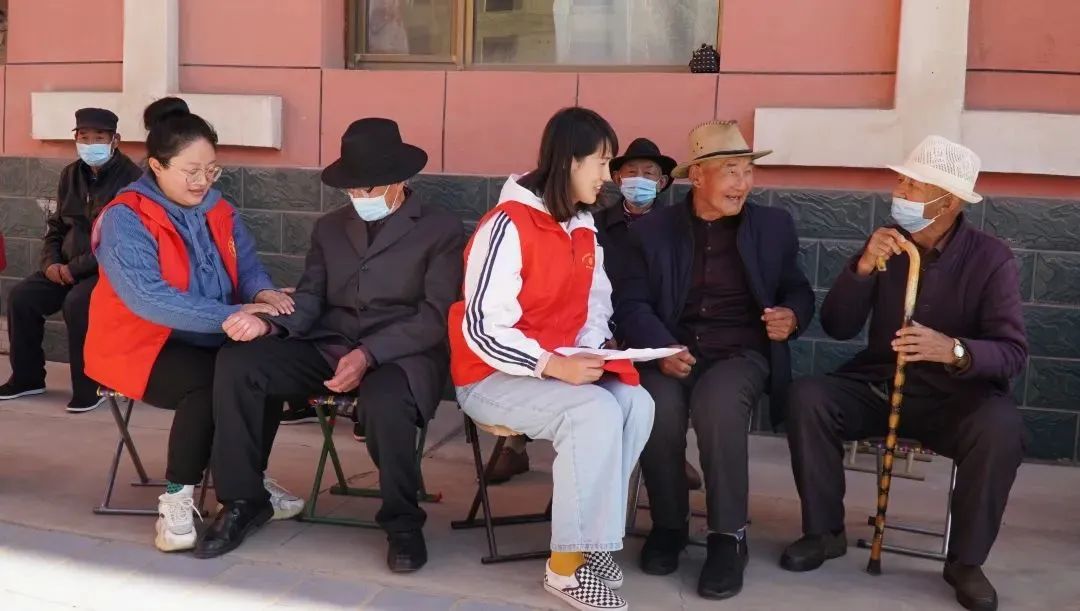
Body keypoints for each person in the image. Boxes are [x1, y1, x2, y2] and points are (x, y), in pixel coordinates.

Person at [194, 118, 465, 571]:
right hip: (331, 343)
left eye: (367, 187)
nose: (358, 196)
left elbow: (435, 316)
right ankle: (243, 500)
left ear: (398, 180)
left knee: (385, 401)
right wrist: (269, 326)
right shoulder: (330, 228)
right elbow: (311, 298)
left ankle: (402, 523)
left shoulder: (441, 229)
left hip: (402, 354)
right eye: (351, 188)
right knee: (241, 363)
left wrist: (369, 354)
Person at [780, 135, 1027, 611]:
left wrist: (953, 350)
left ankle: (966, 561)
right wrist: (863, 267)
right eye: (901, 181)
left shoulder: (991, 258)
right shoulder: (887, 243)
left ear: (947, 202)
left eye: (912, 185)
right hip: (880, 384)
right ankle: (824, 532)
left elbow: (1012, 352)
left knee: (1002, 428)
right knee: (808, 397)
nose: (899, 192)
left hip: (955, 397)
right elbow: (837, 326)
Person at [449, 107, 655, 611]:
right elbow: (482, 328)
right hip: (490, 375)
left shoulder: (583, 225)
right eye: (601, 163)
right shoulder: (507, 224)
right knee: (594, 412)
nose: (608, 176)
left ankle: (594, 540)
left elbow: (595, 305)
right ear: (569, 161)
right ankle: (565, 569)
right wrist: (553, 365)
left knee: (637, 403)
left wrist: (592, 349)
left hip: (553, 370)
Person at [84, 102, 303, 553]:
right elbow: (148, 298)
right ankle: (177, 498)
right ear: (157, 166)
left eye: (211, 169)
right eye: (191, 171)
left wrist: (263, 293)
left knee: (262, 370)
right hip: (141, 344)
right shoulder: (126, 217)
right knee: (208, 383)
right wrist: (232, 314)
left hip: (213, 333)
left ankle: (247, 483)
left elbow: (248, 267)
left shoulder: (219, 208)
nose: (203, 181)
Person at [613, 120, 814, 600]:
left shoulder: (773, 227)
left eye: (748, 171)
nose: (742, 183)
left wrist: (792, 316)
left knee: (717, 407)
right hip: (672, 349)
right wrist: (663, 348)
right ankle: (669, 525)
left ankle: (728, 537)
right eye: (730, 171)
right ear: (698, 176)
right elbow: (631, 303)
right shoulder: (653, 231)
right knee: (654, 407)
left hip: (740, 353)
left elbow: (797, 289)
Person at [489, 137, 706, 491]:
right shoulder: (592, 221)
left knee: (655, 386)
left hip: (652, 326)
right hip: (592, 324)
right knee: (559, 356)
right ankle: (516, 446)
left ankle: (668, 452)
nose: (639, 179)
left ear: (663, 181)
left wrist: (652, 337)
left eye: (649, 173)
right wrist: (603, 336)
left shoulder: (676, 228)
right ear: (617, 178)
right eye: (631, 171)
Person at [0, 108, 141, 412]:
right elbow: (56, 226)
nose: (90, 144)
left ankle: (91, 387)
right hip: (64, 267)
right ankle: (27, 378)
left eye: (99, 138)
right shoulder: (70, 174)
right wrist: (50, 263)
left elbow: (120, 241)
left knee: (78, 304)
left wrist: (74, 269)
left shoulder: (132, 179)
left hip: (108, 270)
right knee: (22, 297)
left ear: (115, 140)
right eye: (84, 137)